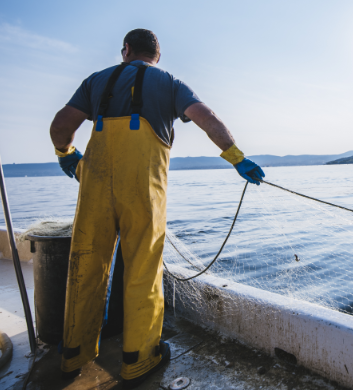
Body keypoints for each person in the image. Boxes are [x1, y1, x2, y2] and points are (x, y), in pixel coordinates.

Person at [50, 28, 264, 389]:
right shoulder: (169, 82)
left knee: (85, 264)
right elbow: (206, 117)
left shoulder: (96, 81)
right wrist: (236, 158)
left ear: (126, 51)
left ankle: (74, 355)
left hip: (95, 185)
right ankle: (138, 359)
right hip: (143, 189)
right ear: (157, 55)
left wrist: (66, 155)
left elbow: (61, 126)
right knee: (142, 268)